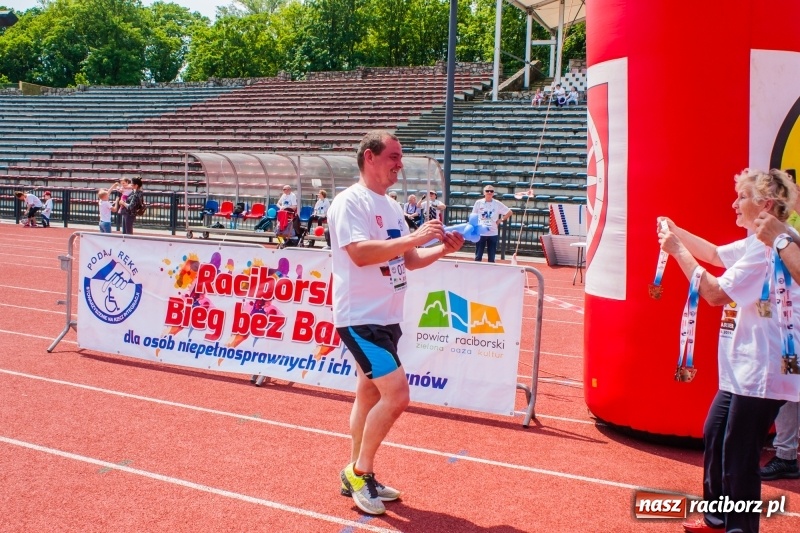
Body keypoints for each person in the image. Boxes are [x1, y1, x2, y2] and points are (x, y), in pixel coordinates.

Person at [327, 130, 464, 516]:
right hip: (360, 318)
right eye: (393, 156)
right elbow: (360, 254)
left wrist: (440, 247)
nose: (399, 164)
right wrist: (416, 237)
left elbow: (409, 259)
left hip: (387, 317)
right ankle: (360, 470)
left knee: (369, 395)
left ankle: (355, 473)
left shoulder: (389, 206)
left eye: (400, 157)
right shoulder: (348, 202)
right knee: (398, 396)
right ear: (369, 157)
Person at [658, 168, 800, 533]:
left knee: (739, 454)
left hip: (762, 369)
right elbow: (715, 254)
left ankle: (741, 528)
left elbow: (714, 292)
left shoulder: (771, 248)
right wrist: (676, 231)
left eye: (741, 197)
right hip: (742, 367)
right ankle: (718, 517)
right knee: (715, 433)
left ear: (765, 204)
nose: (733, 203)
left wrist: (676, 251)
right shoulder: (757, 242)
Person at [753, 204, 800, 482]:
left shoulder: (785, 233)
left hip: (792, 325)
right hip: (787, 325)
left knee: (788, 388)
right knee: (788, 388)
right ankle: (785, 456)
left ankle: (785, 456)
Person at [471, 185, 512, 263]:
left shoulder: (497, 203)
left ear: (493, 193)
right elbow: (473, 215)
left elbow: (509, 212)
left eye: (491, 191)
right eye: (487, 191)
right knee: (478, 256)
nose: (489, 192)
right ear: (484, 192)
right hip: (481, 232)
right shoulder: (478, 202)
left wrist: (501, 219)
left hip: (493, 232)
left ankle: (491, 273)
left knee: (492, 257)